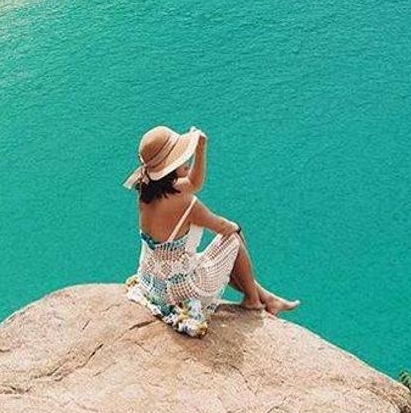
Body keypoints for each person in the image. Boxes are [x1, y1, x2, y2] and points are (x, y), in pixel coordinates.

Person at [124, 126, 299, 337]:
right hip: (180, 290)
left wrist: (200, 149)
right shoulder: (186, 203)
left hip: (153, 283)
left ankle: (268, 298)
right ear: (171, 168)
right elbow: (222, 227)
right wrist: (236, 228)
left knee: (219, 251)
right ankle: (253, 302)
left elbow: (193, 183)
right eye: (181, 159)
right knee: (233, 237)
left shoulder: (145, 190)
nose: (186, 162)